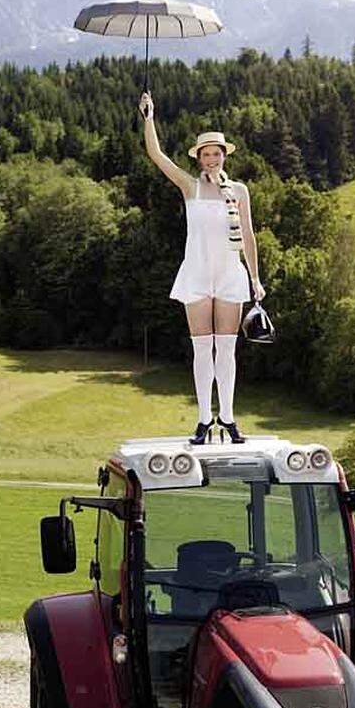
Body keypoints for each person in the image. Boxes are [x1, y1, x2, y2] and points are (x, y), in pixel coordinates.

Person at [139, 91, 264, 445]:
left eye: (216, 154)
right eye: (206, 154)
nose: (211, 159)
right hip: (196, 273)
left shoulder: (238, 190)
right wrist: (149, 117)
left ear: (224, 156)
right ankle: (203, 419)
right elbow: (156, 155)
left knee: (226, 349)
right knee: (201, 349)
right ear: (199, 158)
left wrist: (255, 278)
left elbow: (249, 235)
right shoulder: (189, 186)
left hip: (229, 274)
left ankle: (228, 417)